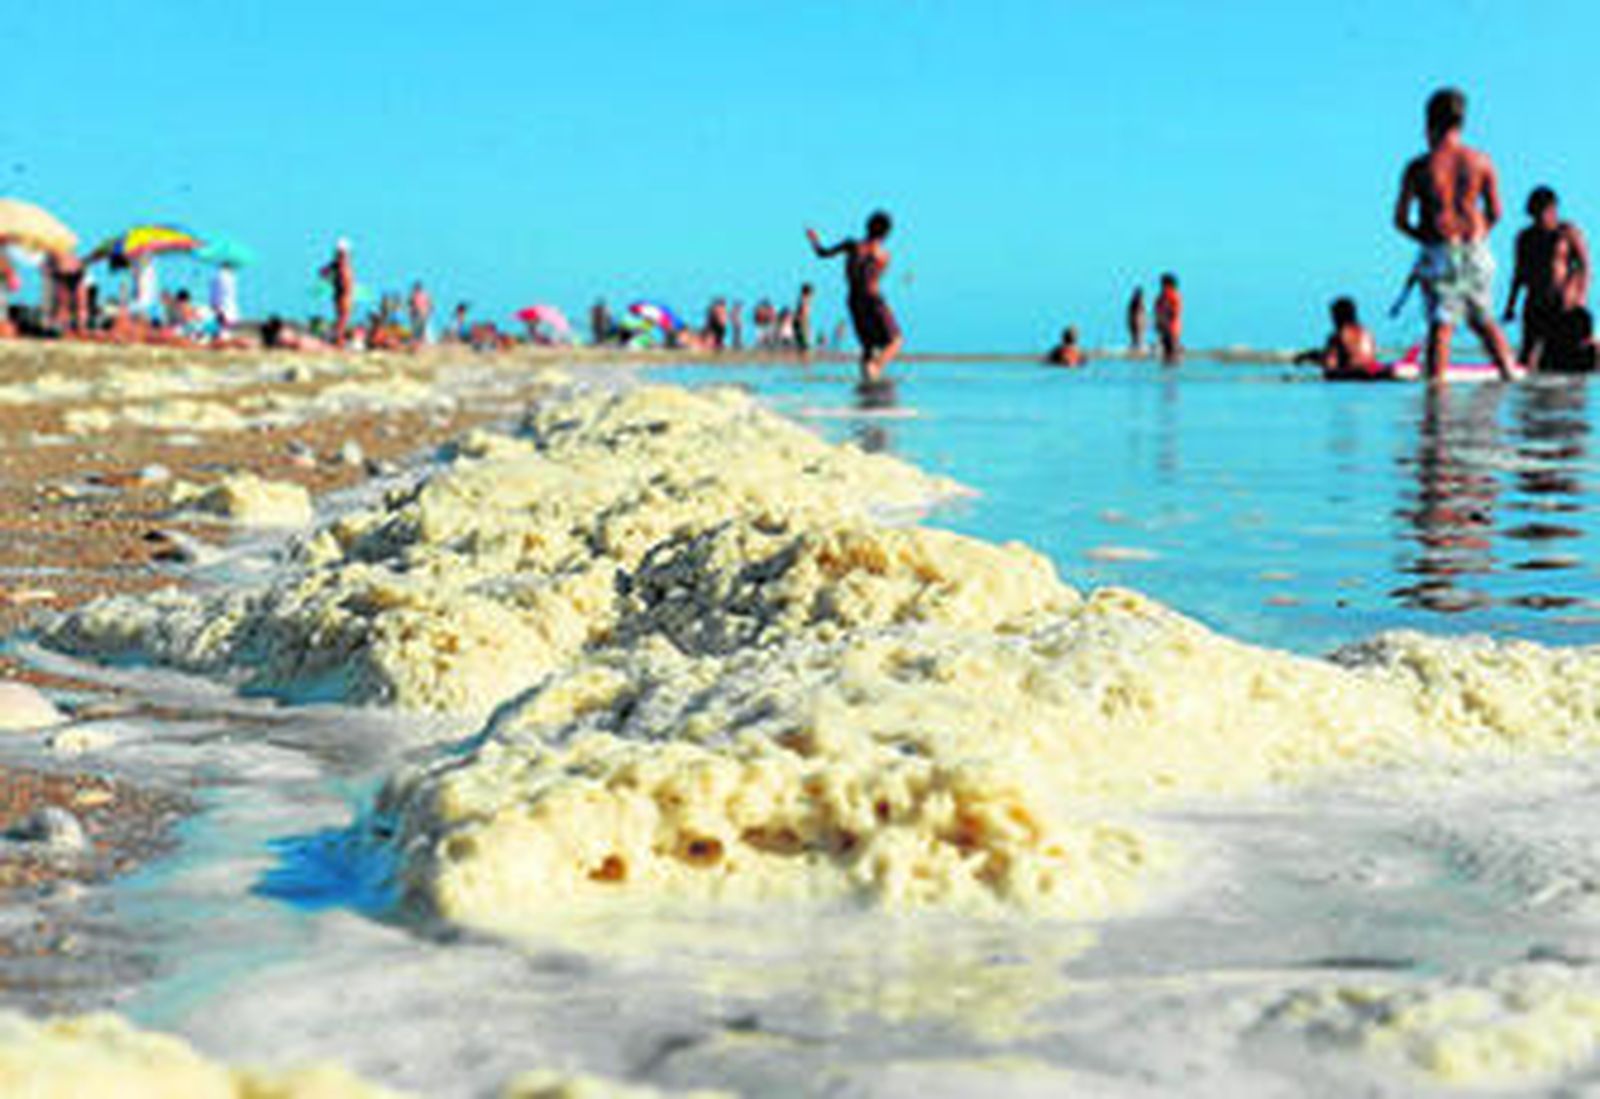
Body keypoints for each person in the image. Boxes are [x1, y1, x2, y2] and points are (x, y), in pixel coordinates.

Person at [1393, 88, 1517, 383]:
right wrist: (1477, 235)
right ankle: (1509, 374)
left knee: (1441, 324)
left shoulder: (1419, 167)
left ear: (1429, 124)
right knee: (1483, 319)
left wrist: (1424, 239)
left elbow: (1399, 219)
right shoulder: (1481, 161)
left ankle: (1436, 395)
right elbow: (1496, 212)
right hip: (1477, 249)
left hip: (1441, 248)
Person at [807, 210, 903, 387]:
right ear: (886, 233)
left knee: (868, 346)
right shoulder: (883, 256)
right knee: (896, 340)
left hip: (853, 299)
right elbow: (875, 277)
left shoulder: (851, 245)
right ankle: (875, 368)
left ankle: (866, 385)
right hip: (873, 299)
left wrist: (814, 240)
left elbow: (822, 253)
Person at [1504, 186, 1590, 372]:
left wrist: (1579, 296)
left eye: (1541, 212)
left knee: (1561, 357)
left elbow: (1584, 266)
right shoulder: (1525, 238)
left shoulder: (1568, 233)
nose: (1538, 219)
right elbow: (1519, 273)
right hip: (1535, 303)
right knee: (1527, 356)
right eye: (1534, 214)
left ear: (1552, 210)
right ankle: (1528, 394)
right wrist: (1510, 305)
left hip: (1562, 304)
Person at [1320, 297, 1380, 378]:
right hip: (1374, 370)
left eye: (1333, 316)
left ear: (1338, 316)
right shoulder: (1367, 333)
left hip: (1352, 374)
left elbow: (1330, 366)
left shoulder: (1337, 336)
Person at [318, 239, 355, 346]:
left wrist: (333, 280)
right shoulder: (340, 263)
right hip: (343, 294)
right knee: (343, 319)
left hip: (343, 293)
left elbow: (323, 272)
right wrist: (335, 282)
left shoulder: (338, 263)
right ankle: (338, 341)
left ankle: (338, 340)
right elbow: (323, 273)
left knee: (342, 319)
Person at [1154, 273, 1182, 363]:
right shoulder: (1166, 295)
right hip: (1169, 327)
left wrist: (1162, 322)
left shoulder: (1170, 295)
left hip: (1170, 327)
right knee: (1168, 349)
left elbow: (1174, 312)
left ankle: (1171, 366)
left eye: (1162, 283)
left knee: (1170, 350)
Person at [209, 264, 240, 336]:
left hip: (222, 307)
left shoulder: (218, 277)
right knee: (225, 330)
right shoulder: (232, 277)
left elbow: (215, 294)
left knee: (222, 330)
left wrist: (214, 305)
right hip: (229, 308)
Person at [408, 280, 433, 346]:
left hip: (421, 315)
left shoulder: (418, 295)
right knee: (419, 330)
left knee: (420, 330)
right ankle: (419, 342)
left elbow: (430, 305)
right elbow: (410, 305)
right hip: (419, 315)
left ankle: (420, 342)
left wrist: (428, 311)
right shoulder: (415, 295)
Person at [795, 283, 815, 356]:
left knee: (805, 345)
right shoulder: (804, 300)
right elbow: (801, 313)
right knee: (804, 345)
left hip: (803, 322)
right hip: (802, 322)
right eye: (811, 293)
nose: (813, 296)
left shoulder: (804, 300)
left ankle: (804, 357)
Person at [1127, 287, 1147, 355]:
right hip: (1136, 321)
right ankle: (1137, 348)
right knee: (1137, 336)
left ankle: (1136, 346)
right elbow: (1138, 315)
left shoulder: (1134, 302)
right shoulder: (1137, 303)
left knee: (1137, 336)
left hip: (1136, 321)